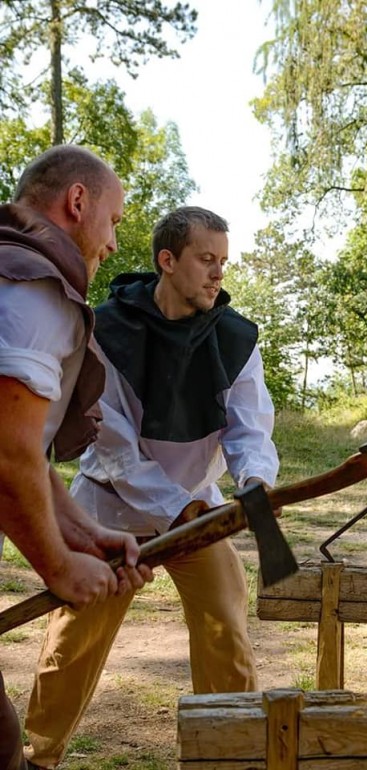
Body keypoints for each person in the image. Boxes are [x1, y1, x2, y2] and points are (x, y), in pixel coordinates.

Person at [23, 205, 280, 769]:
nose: (219, 274)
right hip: (109, 511)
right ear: (168, 260)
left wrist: (256, 486)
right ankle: (35, 759)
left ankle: (229, 757)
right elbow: (113, 449)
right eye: (206, 260)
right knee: (71, 647)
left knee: (225, 628)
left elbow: (248, 428)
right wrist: (180, 506)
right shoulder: (106, 332)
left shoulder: (236, 338)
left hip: (198, 511)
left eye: (224, 262)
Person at [0, 145, 154, 770]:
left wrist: (86, 533)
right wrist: (61, 568)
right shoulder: (35, 287)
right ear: (78, 201)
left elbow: (23, 450)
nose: (114, 244)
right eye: (114, 221)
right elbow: (8, 457)